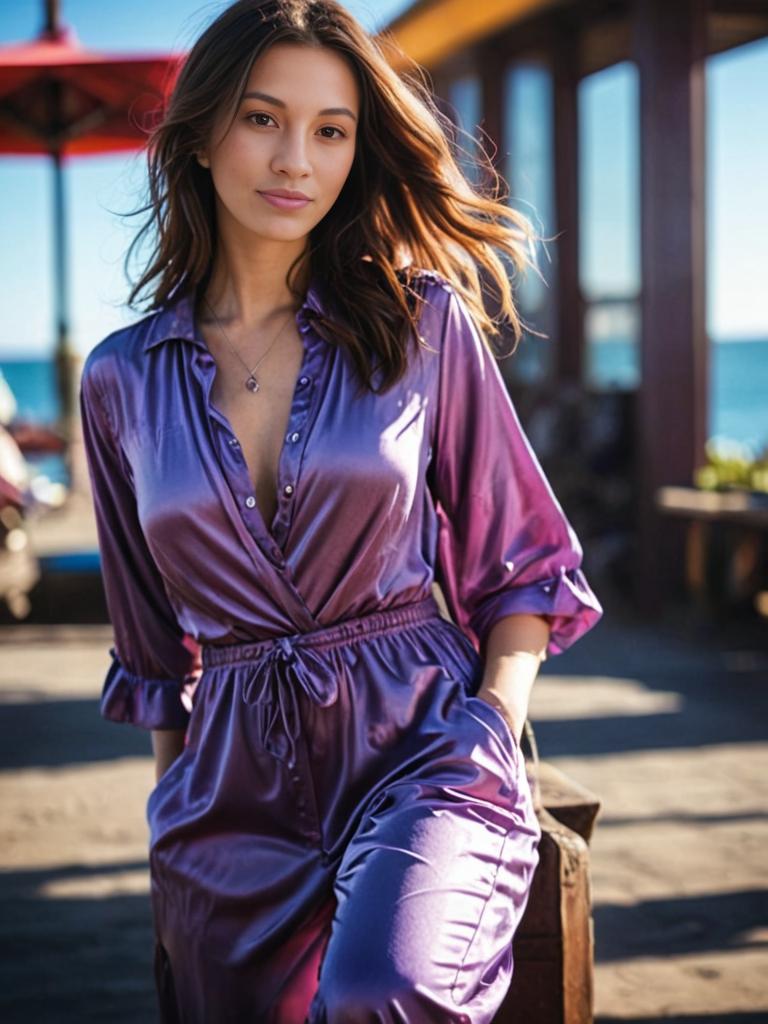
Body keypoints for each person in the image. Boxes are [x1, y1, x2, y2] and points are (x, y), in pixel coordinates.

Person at [78, 1, 603, 1020]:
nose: (296, 160)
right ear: (200, 134)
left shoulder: (423, 326)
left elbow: (524, 568)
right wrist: (172, 826)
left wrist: (491, 726)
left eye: (330, 129)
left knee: (385, 988)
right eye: (262, 118)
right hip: (225, 796)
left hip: (420, 749)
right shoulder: (120, 381)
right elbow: (151, 649)